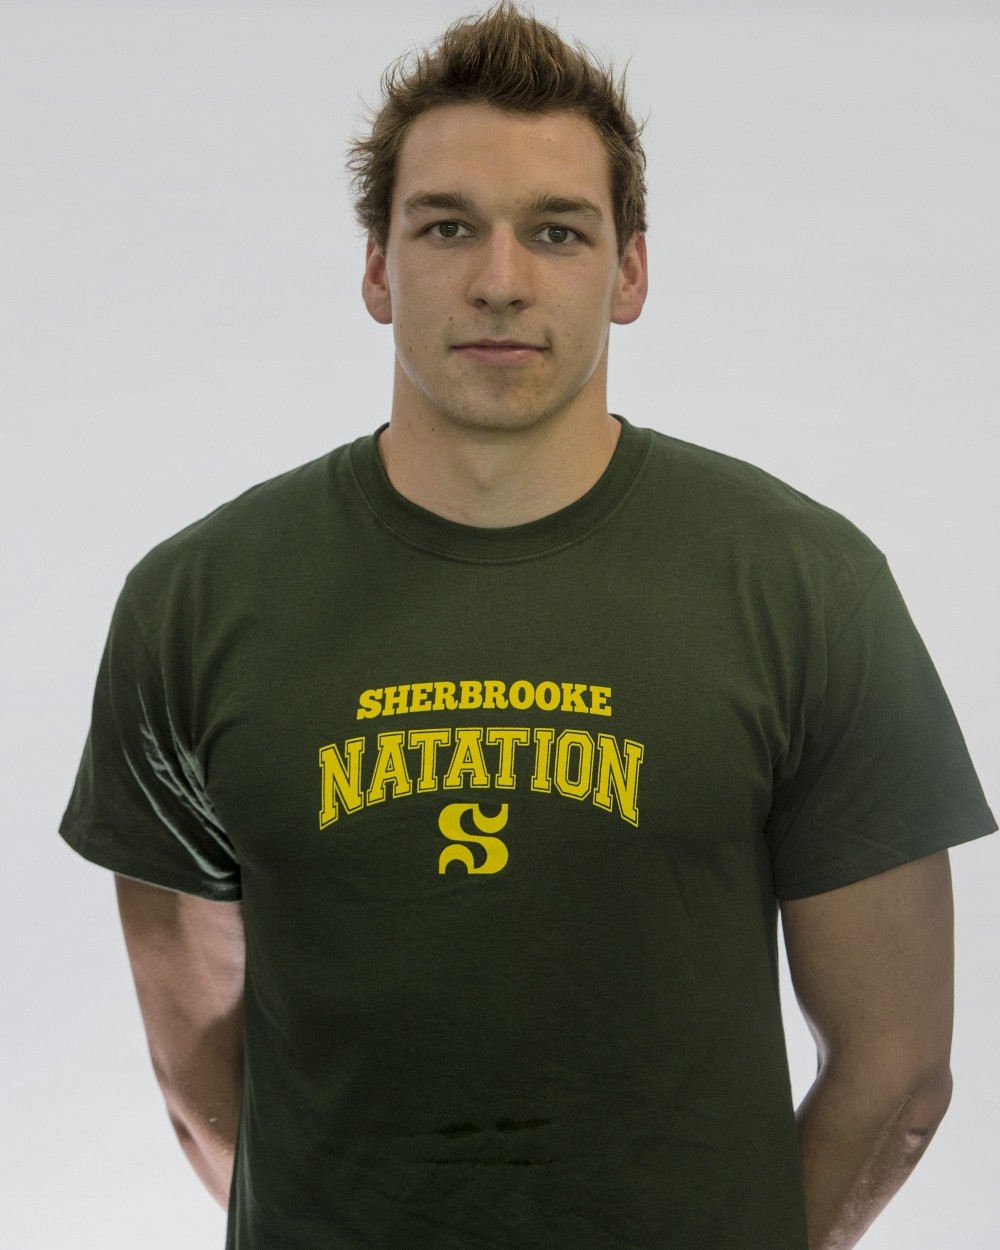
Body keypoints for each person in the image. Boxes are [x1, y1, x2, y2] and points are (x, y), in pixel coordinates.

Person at [60, 4, 996, 1248]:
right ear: (378, 268)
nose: (499, 279)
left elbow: (898, 1073)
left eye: (556, 230)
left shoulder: (803, 586)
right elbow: (201, 1088)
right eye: (446, 226)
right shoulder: (197, 600)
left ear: (630, 271)